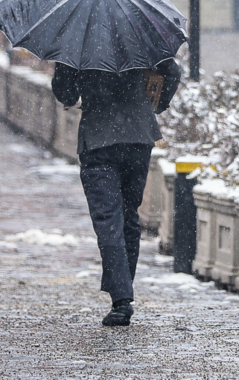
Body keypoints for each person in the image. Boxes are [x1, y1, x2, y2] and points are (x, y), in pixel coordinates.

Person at [52, 56, 181, 326]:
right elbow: (171, 69)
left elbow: (65, 93)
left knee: (108, 220)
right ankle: (123, 293)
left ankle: (121, 299)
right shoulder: (139, 33)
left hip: (99, 140)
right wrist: (155, 104)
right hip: (137, 137)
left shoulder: (80, 40)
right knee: (128, 214)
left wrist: (70, 75)